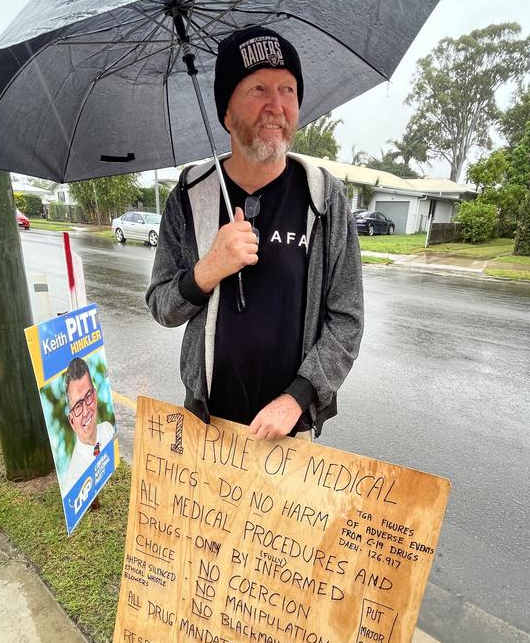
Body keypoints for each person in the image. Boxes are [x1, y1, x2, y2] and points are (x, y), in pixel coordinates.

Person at [146, 25, 363, 441]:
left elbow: (347, 319)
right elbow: (161, 305)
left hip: (287, 434)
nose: (276, 106)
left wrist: (298, 397)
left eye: (288, 90)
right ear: (226, 113)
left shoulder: (323, 197)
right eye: (258, 89)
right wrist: (207, 271)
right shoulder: (191, 195)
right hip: (205, 429)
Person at [62, 357, 114, 494]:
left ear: (95, 397)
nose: (86, 411)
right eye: (78, 406)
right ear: (72, 421)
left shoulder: (108, 430)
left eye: (88, 396)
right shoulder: (73, 485)